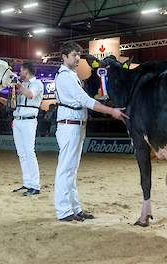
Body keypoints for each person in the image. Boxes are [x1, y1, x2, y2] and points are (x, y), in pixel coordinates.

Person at [54, 41, 128, 222]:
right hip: (69, 125)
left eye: (79, 55)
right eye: (74, 55)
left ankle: (74, 208)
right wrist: (112, 111)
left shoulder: (72, 75)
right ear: (64, 57)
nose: (78, 58)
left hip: (76, 125)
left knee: (71, 169)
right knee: (66, 169)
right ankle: (64, 210)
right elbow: (85, 101)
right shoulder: (65, 76)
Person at [0, 62, 44, 196]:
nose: (20, 73)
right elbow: (13, 105)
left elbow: (30, 95)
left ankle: (35, 185)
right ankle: (27, 183)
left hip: (28, 121)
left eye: (21, 71)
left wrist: (17, 85)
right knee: (22, 154)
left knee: (29, 152)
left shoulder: (37, 84)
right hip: (17, 121)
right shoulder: (21, 87)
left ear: (27, 71)